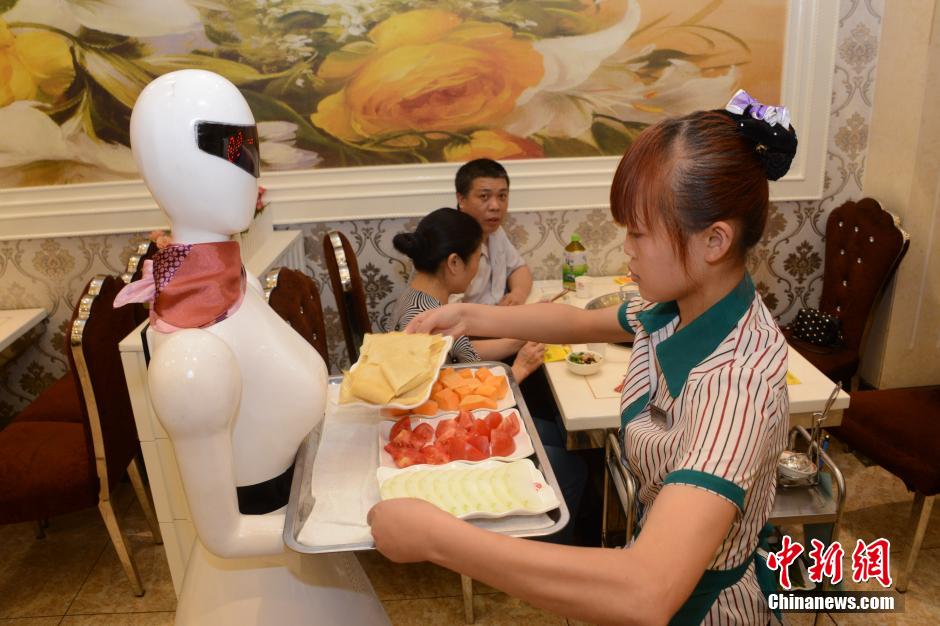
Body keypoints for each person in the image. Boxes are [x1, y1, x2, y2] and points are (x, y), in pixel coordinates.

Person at [370, 93, 798, 624]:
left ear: (713, 240)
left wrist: (440, 540)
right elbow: (579, 322)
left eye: (639, 233)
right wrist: (473, 319)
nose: (628, 248)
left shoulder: (736, 382)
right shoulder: (680, 305)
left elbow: (646, 591)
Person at [124, 70, 388, 624]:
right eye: (225, 149)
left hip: (319, 574)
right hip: (263, 600)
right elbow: (225, 535)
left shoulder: (235, 289)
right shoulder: (193, 355)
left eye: (248, 150)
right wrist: (380, 519)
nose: (243, 172)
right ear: (162, 166)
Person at [389, 207, 544, 383]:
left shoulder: (415, 297)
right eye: (478, 259)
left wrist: (519, 339)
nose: (477, 268)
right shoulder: (426, 324)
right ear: (454, 262)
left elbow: (459, 349)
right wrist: (520, 369)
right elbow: (457, 403)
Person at [455, 158, 533, 306]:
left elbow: (518, 268)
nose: (495, 206)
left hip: (499, 318)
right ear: (461, 200)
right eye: (484, 196)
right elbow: (450, 313)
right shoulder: (449, 242)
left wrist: (517, 294)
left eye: (502, 196)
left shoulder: (495, 231)